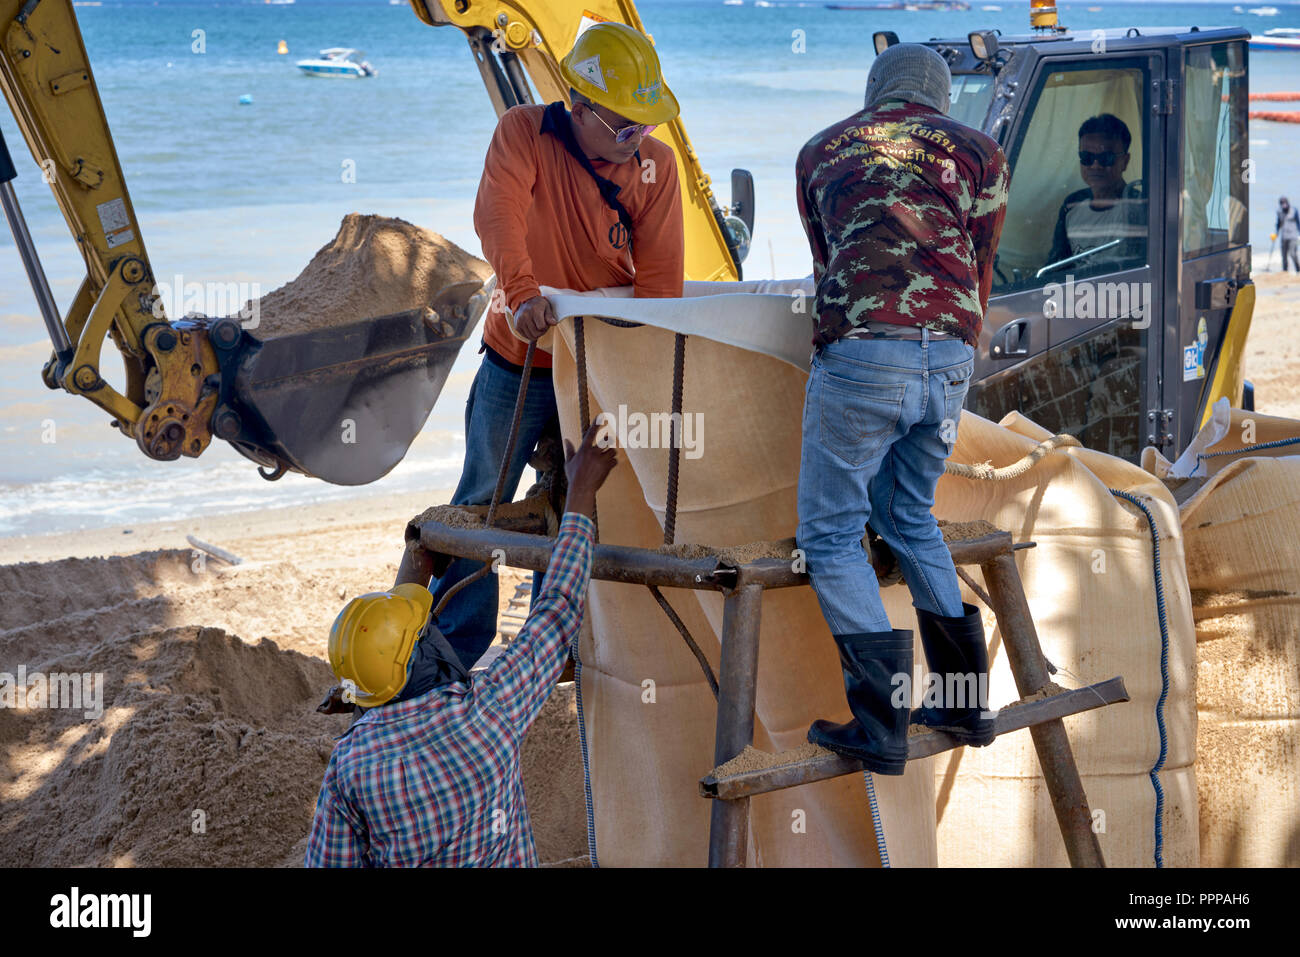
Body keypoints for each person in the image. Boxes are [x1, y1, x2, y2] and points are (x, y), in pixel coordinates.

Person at [427, 21, 685, 671]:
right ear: (578, 104)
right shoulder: (523, 133)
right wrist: (520, 297)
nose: (637, 141)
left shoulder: (657, 166)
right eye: (624, 127)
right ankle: (456, 647)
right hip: (520, 359)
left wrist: (639, 378)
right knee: (483, 497)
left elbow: (659, 289)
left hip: (602, 368)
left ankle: (556, 645)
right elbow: (498, 218)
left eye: (644, 127)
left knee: (583, 502)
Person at [793, 43, 1008, 774]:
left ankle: (881, 719)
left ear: (872, 89)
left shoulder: (819, 151)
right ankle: (963, 699)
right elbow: (979, 264)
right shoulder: (979, 151)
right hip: (949, 356)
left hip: (863, 354)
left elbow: (832, 267)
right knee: (910, 515)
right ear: (941, 96)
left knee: (828, 533)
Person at [305, 423, 617, 867]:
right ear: (424, 657)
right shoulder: (490, 712)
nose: (436, 629)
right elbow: (557, 608)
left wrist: (417, 560)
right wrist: (582, 489)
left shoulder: (352, 765)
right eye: (426, 629)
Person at [1045, 113, 1146, 274]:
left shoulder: (1139, 207)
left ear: (1125, 162)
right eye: (1087, 157)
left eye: (1106, 158)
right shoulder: (1072, 205)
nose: (1095, 165)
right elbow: (1057, 265)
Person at [1276, 196, 1300, 272]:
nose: (1284, 205)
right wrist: (1276, 233)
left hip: (1293, 236)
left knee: (1292, 253)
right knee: (1284, 255)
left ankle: (1298, 270)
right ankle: (1285, 271)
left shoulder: (1294, 210)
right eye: (1282, 203)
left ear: (1287, 203)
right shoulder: (1279, 212)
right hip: (1284, 236)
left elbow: (1298, 223)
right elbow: (1278, 223)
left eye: (1285, 203)